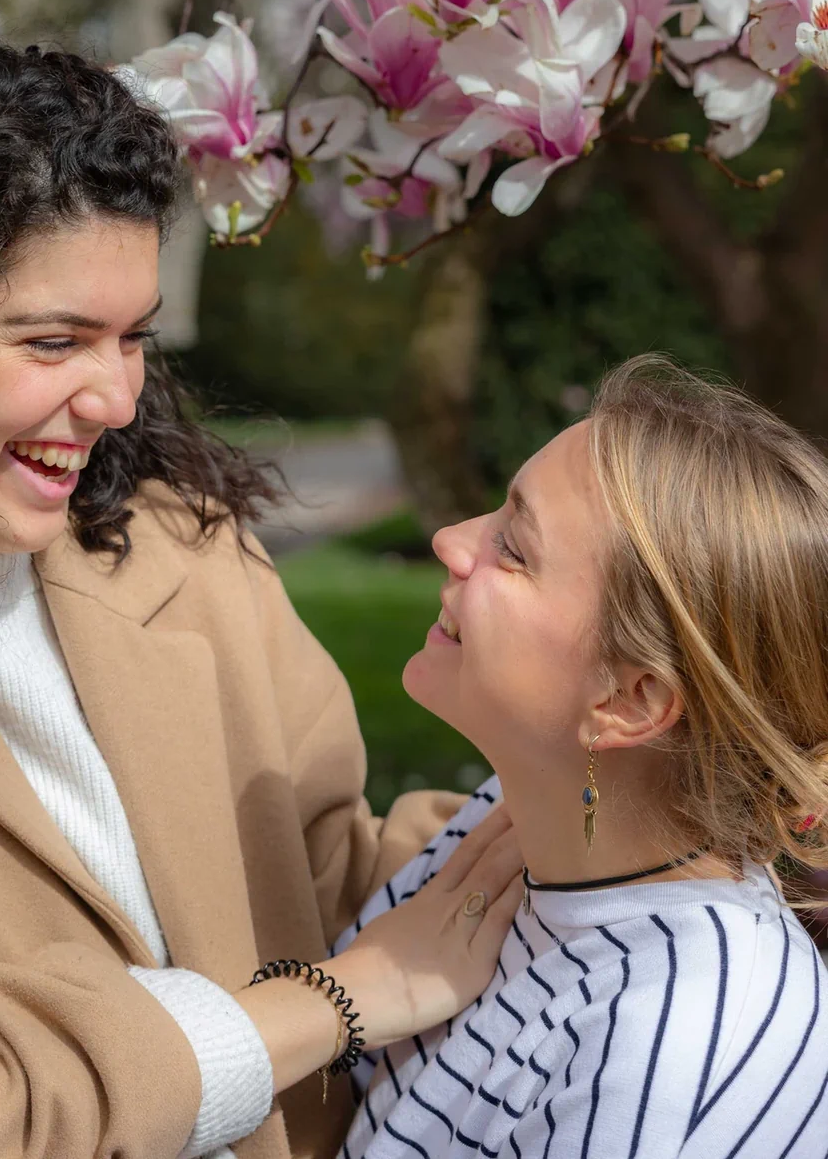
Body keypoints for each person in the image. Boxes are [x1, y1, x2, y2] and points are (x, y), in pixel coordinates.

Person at [0, 40, 521, 1159]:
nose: (117, 399)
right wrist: (328, 1006)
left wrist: (594, 794)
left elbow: (330, 885)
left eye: (134, 337)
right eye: (54, 343)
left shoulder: (183, 553)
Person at [336, 357, 828, 1159]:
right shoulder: (514, 822)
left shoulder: (679, 1048)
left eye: (512, 549)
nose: (450, 541)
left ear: (627, 702)